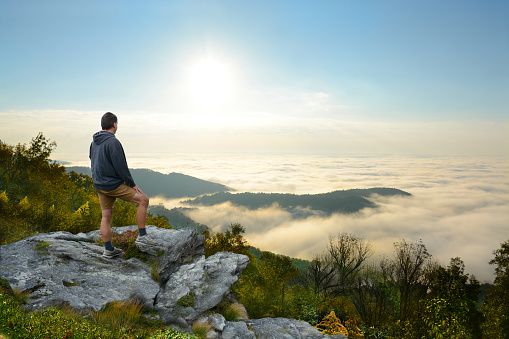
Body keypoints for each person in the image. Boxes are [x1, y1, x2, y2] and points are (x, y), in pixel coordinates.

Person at [90, 112, 158, 258]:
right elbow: (121, 166)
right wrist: (131, 184)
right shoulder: (113, 142)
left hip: (99, 185)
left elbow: (93, 159)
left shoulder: (94, 142)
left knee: (106, 216)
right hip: (112, 185)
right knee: (143, 200)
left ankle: (108, 249)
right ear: (114, 124)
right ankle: (142, 237)